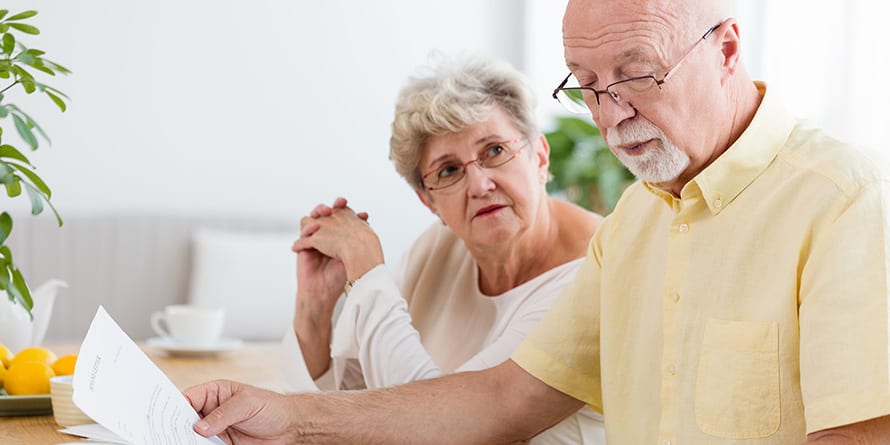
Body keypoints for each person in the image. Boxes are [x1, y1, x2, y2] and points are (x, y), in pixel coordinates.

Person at [185, 0, 890, 443]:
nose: (613, 115)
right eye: (586, 86)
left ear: (727, 49)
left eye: (636, 73)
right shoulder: (635, 224)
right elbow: (500, 400)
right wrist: (292, 418)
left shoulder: (843, 201)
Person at [278, 54, 605, 444]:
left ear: (539, 155)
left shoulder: (595, 270)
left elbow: (441, 429)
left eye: (495, 151)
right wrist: (314, 307)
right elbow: (354, 399)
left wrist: (367, 270)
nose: (480, 184)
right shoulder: (440, 248)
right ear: (429, 203)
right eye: (449, 170)